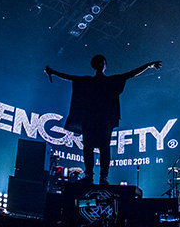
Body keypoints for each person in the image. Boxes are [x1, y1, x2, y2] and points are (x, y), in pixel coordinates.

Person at [45, 55, 161, 185]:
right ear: (103, 65)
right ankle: (97, 176)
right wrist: (148, 66)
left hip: (98, 120)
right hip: (98, 120)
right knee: (97, 148)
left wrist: (53, 72)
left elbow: (69, 77)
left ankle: (96, 176)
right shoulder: (103, 81)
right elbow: (130, 74)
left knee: (95, 148)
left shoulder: (92, 81)